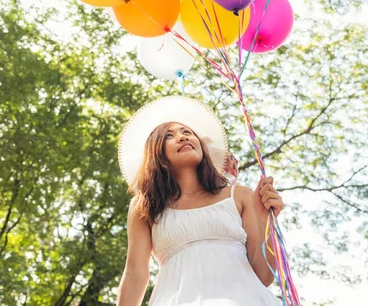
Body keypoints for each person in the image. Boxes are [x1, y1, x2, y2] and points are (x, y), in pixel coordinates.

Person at [116, 96, 283, 305]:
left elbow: (264, 277)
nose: (182, 137)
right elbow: (135, 274)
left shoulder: (239, 195)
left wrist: (266, 222)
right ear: (157, 154)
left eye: (187, 132)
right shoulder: (145, 205)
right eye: (169, 135)